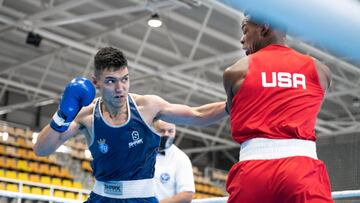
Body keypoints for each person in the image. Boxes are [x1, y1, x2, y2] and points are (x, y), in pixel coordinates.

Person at [33, 47, 227, 203]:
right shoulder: (87, 116)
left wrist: (235, 102)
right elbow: (41, 149)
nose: (120, 89)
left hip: (142, 198)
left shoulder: (147, 107)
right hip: (101, 197)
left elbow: (198, 115)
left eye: (125, 79)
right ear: (96, 83)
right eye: (111, 81)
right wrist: (62, 115)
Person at [223, 14, 333, 203]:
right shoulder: (320, 71)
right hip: (302, 171)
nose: (242, 39)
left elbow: (233, 109)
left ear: (264, 28)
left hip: (253, 172)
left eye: (245, 30)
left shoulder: (236, 72)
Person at [153, 120, 195, 203]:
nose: (166, 134)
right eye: (162, 131)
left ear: (175, 132)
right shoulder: (142, 152)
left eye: (170, 131)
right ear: (153, 130)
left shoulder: (181, 158)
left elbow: (187, 194)